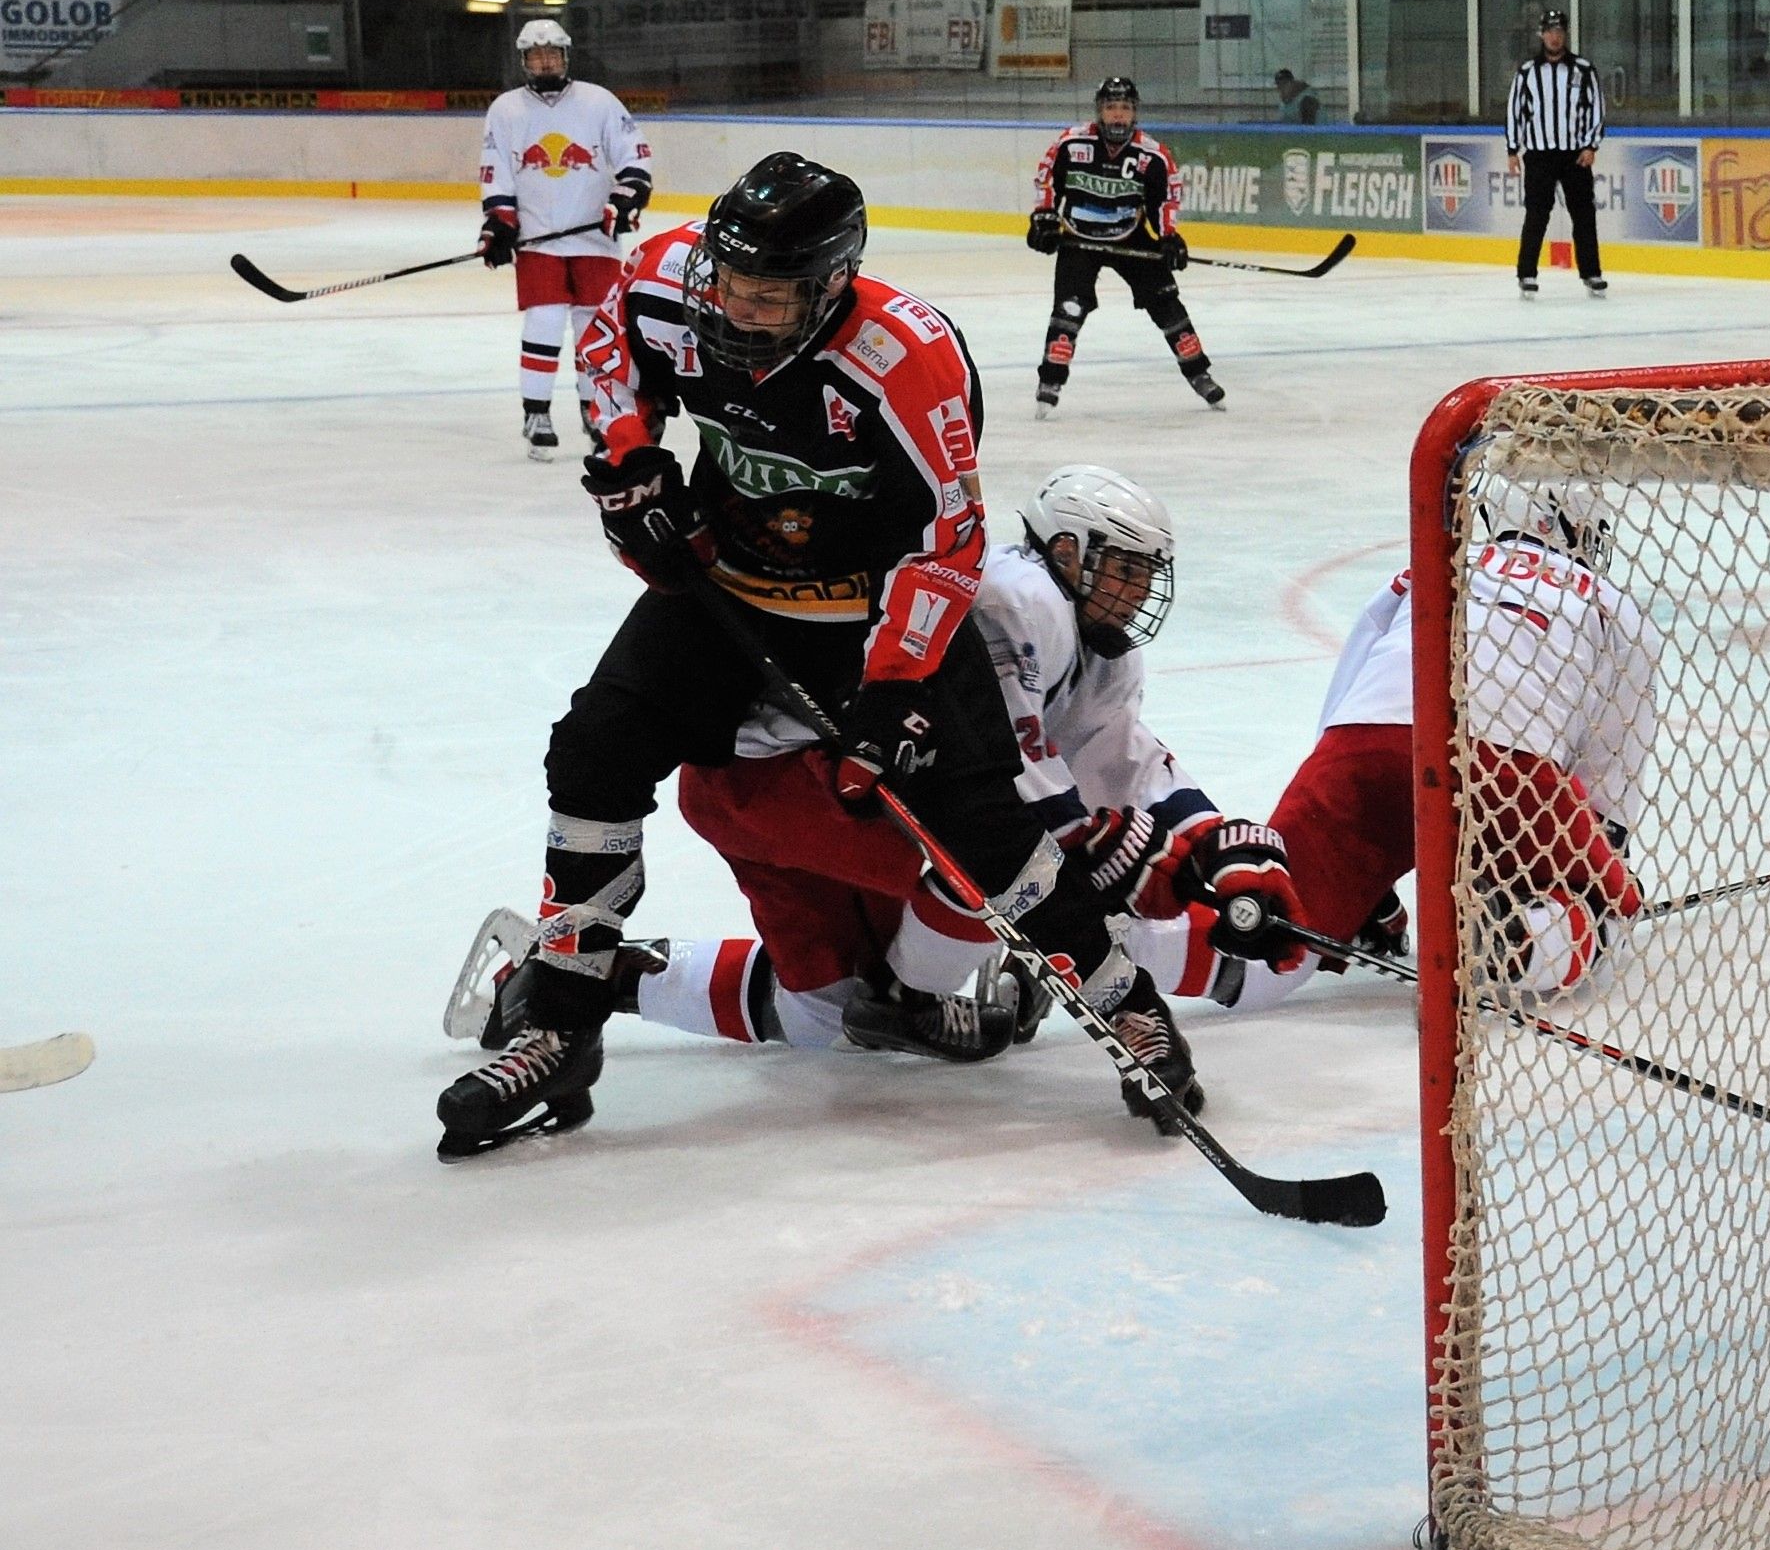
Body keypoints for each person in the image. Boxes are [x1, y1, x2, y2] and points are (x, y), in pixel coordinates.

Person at [431, 153, 1119, 1158]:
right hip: (735, 583)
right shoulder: (670, 278)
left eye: (767, 295)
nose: (736, 305)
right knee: (596, 745)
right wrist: (631, 465)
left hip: (865, 616)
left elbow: (945, 544)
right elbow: (608, 347)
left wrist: (894, 684)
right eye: (729, 279)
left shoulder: (907, 356)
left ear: (831, 285)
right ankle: (564, 1021)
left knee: (976, 825)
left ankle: (1129, 1014)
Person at [456, 466, 1309, 1102]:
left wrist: (1210, 843)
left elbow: (1123, 758)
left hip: (819, 797)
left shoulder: (1095, 647)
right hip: (785, 783)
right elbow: (1010, 796)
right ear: (1065, 551)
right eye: (1123, 570)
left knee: (823, 1016)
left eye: (1146, 576)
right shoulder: (1018, 602)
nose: (1136, 592)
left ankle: (602, 976)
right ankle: (913, 995)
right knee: (987, 872)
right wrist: (1125, 864)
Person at [1248, 477, 1663, 1013]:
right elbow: (1611, 756)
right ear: (1561, 524)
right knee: (1605, 908)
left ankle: (1166, 955)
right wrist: (1609, 864)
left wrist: (1351, 846)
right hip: (1508, 772)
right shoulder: (1613, 605)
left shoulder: (1423, 569)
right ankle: (1520, 940)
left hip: (1362, 751)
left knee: (1273, 923)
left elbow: (1346, 701)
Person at [476, 18, 652, 457]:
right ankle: (536, 413)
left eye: (552, 54)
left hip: (595, 239)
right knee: (545, 320)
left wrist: (624, 199)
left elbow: (635, 158)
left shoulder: (599, 102)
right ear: (524, 61)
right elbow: (496, 171)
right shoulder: (506, 110)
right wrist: (498, 224)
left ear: (565, 56)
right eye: (537, 56)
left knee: (594, 328)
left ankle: (597, 415)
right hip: (538, 240)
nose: (545, 62)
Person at [1025, 77, 1224, 417]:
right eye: (1111, 107)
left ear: (1135, 113)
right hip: (1078, 237)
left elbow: (1165, 199)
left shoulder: (1152, 154)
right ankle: (1051, 381)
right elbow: (1047, 181)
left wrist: (1168, 237)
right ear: (1099, 111)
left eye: (1125, 108)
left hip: (1129, 234)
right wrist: (1043, 219)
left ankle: (1199, 373)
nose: (1118, 115)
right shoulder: (1071, 143)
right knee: (1069, 309)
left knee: (1166, 303)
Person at [1505, 10, 1606, 298]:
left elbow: (1596, 109)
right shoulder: (1527, 72)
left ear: (1565, 34)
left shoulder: (1583, 70)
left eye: (1559, 31)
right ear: (1541, 35)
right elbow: (1515, 111)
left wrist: (1591, 145)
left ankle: (1591, 272)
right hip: (1539, 155)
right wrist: (1512, 149)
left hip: (1575, 155)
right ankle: (1526, 273)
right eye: (1550, 31)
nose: (1555, 36)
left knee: (1583, 215)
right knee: (1536, 215)